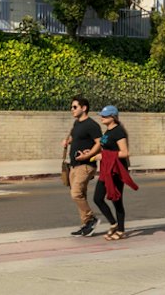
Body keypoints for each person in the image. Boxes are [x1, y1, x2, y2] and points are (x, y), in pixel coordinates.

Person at [77, 105, 137, 240]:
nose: (101, 118)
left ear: (113, 117)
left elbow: (124, 152)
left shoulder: (119, 132)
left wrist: (105, 156)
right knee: (98, 198)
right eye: (101, 115)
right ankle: (113, 223)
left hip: (116, 170)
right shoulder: (107, 132)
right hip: (106, 169)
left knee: (116, 200)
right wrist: (93, 153)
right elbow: (105, 148)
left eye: (104, 116)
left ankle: (121, 230)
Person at [63, 95, 103, 236]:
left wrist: (88, 155)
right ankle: (86, 225)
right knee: (81, 195)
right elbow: (75, 136)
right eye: (71, 107)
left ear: (84, 108)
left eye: (74, 107)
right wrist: (67, 141)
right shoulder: (77, 123)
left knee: (76, 193)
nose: (72, 110)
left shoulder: (92, 125)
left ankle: (90, 219)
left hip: (86, 165)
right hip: (74, 165)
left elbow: (100, 142)